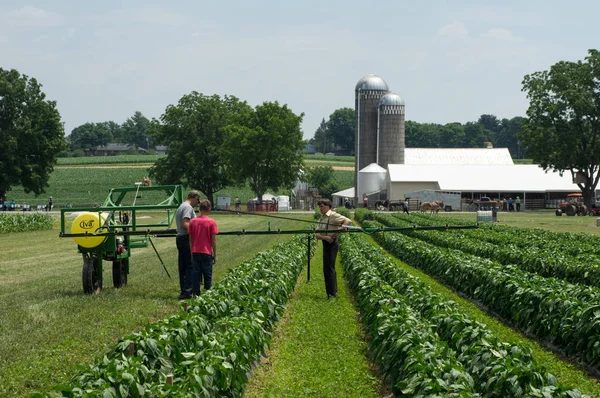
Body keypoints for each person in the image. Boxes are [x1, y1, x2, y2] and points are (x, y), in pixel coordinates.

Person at [315, 199, 351, 299]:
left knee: (329, 268)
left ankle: (332, 294)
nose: (320, 208)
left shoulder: (333, 215)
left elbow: (347, 221)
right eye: (319, 206)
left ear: (328, 206)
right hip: (326, 242)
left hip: (332, 244)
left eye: (322, 206)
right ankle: (331, 292)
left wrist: (337, 231)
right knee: (327, 268)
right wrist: (325, 237)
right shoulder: (322, 218)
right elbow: (317, 234)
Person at [188, 199, 218, 296]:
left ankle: (196, 294)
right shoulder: (211, 222)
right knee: (207, 274)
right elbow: (213, 240)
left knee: (196, 274)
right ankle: (208, 293)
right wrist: (215, 254)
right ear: (209, 209)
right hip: (206, 252)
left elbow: (190, 239)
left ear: (200, 209)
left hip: (196, 251)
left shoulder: (192, 222)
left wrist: (191, 252)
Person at [175, 190, 200, 300]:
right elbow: (185, 224)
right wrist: (198, 231)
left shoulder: (182, 206)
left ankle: (184, 290)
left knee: (183, 266)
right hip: (186, 238)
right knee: (190, 265)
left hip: (180, 237)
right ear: (194, 197)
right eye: (198, 200)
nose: (197, 203)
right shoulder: (188, 208)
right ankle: (187, 291)